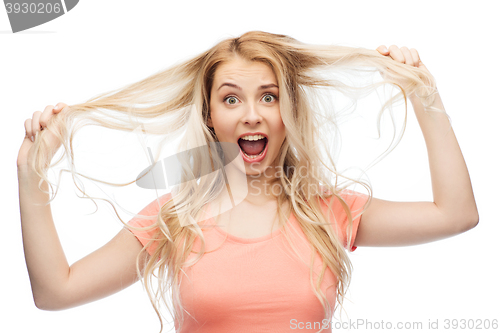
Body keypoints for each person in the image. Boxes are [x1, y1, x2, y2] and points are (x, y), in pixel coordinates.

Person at [17, 31, 478, 333]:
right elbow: (56, 292)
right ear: (211, 117)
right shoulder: (175, 219)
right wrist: (30, 173)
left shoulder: (328, 211)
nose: (252, 114)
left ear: (288, 112)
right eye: (231, 98)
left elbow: (456, 215)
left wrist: (425, 98)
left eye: (269, 97)